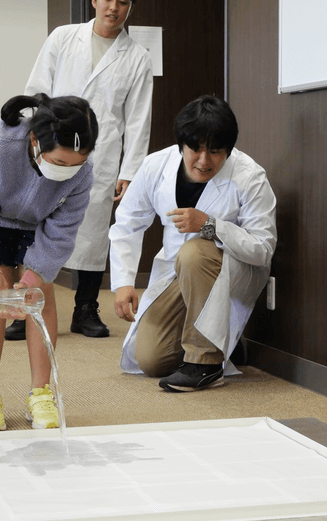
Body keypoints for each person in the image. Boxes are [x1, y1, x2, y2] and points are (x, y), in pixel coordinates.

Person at [5, 0, 153, 341]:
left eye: (124, 1)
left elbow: (139, 119)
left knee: (94, 229)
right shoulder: (63, 37)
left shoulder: (137, 57)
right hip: (51, 148)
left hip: (100, 154)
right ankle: (25, 307)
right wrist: (28, 142)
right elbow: (35, 90)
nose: (114, 7)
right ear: (94, 1)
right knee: (36, 226)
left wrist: (130, 170)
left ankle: (85, 308)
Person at [0, 94, 98, 431]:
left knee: (39, 295)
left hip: (41, 224)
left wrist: (31, 280)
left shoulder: (82, 171)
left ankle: (41, 393)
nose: (66, 173)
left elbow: (62, 232)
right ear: (34, 141)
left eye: (74, 165)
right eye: (58, 164)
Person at [110, 95, 277, 392]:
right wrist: (123, 282)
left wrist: (210, 226)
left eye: (215, 152)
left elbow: (263, 249)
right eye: (195, 149)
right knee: (151, 361)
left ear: (229, 150)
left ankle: (206, 363)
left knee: (195, 252)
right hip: (176, 273)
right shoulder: (155, 166)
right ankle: (222, 339)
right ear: (181, 146)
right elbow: (127, 223)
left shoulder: (249, 176)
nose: (204, 161)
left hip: (231, 271)